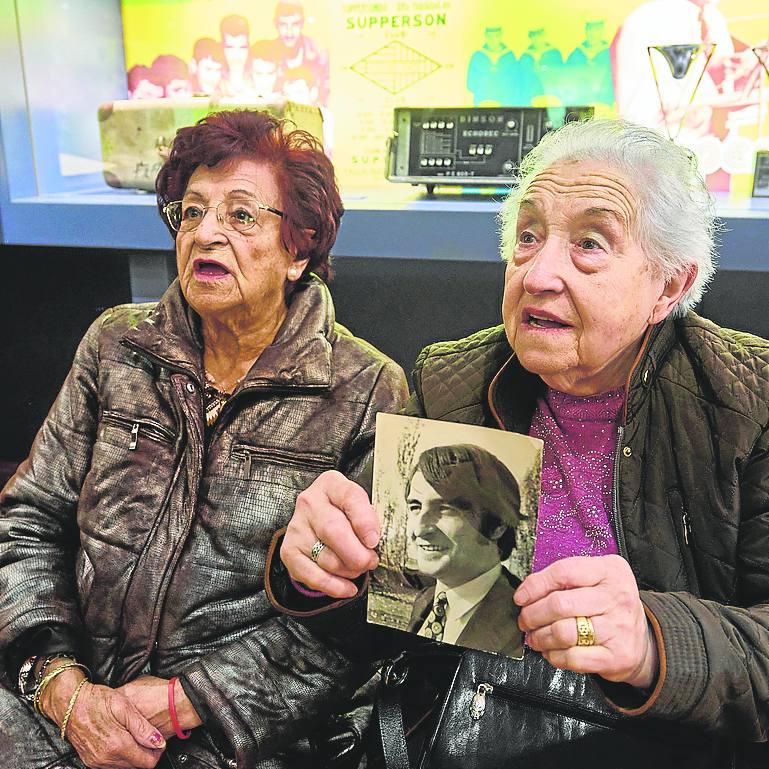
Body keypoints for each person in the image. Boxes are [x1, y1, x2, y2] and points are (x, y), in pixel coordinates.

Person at [272, 118, 769, 767]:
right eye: (527, 236)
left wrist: (651, 644)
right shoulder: (451, 382)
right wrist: (321, 574)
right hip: (461, 729)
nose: (538, 273)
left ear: (668, 285)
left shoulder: (745, 402)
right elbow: (391, 620)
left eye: (589, 243)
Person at [0, 109, 408, 769]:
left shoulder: (364, 390)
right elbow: (29, 520)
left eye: (241, 215)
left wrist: (185, 700)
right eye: (190, 212)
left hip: (235, 738)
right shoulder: (117, 346)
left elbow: (355, 630)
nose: (205, 233)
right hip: (61, 703)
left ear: (298, 249)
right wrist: (59, 686)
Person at [404, 444, 525, 656]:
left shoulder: (525, 623)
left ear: (498, 525)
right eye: (415, 506)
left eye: (446, 509)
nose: (420, 529)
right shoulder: (427, 599)